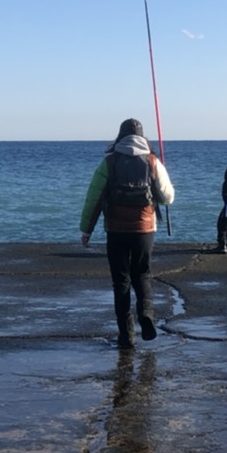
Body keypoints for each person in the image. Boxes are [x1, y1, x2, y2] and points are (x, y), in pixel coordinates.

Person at [80, 118, 176, 348]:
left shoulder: (109, 162)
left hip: (116, 229)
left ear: (120, 137)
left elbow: (94, 197)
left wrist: (87, 230)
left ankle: (126, 335)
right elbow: (167, 197)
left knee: (120, 282)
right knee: (142, 275)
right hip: (144, 229)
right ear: (143, 138)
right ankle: (147, 315)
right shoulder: (153, 162)